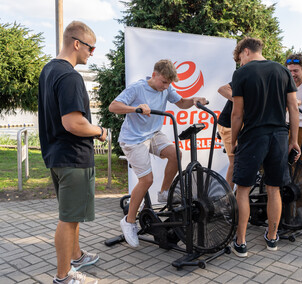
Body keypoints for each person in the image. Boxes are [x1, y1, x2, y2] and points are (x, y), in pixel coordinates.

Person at [108, 59, 207, 248]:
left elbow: (182, 103)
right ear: (154, 75)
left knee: (176, 154)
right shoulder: (137, 88)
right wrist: (135, 108)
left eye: (169, 84)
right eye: (163, 82)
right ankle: (128, 222)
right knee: (146, 180)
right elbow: (113, 106)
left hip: (153, 134)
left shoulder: (167, 88)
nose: (166, 87)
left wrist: (194, 100)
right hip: (133, 139)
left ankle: (164, 192)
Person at [38, 21, 105, 284]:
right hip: (73, 158)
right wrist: (99, 130)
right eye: (91, 47)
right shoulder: (70, 76)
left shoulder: (48, 71)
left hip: (57, 156)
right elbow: (73, 123)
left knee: (72, 215)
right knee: (68, 219)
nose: (92, 52)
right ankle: (64, 276)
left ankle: (76, 255)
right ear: (77, 43)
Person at [230, 37, 300, 257]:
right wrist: (294, 140)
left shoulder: (241, 74)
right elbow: (294, 109)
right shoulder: (283, 71)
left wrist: (233, 140)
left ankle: (241, 242)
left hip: (253, 135)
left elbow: (237, 113)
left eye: (240, 57)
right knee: (274, 188)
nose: (240, 62)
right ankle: (272, 238)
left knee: (242, 189)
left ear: (247, 51)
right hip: (279, 135)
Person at [217, 82, 235, 190]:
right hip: (229, 125)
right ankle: (228, 200)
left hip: (247, 124)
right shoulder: (246, 75)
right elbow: (222, 89)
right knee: (235, 162)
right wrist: (241, 103)